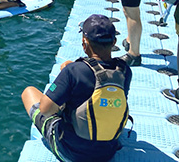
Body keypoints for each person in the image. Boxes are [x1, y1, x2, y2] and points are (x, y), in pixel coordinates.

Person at [21, 14, 132, 162]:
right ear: (114, 42)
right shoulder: (124, 70)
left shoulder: (73, 71)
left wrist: (63, 79)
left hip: (71, 153)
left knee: (29, 92)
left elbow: (45, 109)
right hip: (107, 152)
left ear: (84, 42)